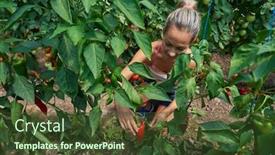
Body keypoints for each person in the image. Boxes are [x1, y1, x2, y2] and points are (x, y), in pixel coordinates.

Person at [114, 0, 200, 136]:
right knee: (117, 114)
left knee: (162, 130)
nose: (172, 53)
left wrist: (166, 112)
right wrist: (121, 103)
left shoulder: (190, 61)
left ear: (193, 41)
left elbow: (184, 93)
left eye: (180, 48)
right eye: (168, 44)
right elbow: (122, 77)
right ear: (163, 33)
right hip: (147, 88)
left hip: (170, 95)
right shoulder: (150, 50)